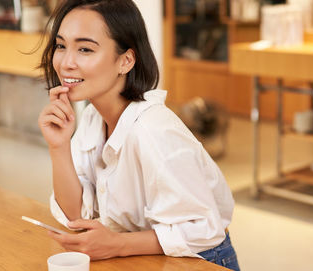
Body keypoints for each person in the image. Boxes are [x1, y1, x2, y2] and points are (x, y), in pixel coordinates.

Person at [36, 0, 239, 269]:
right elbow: (75, 216)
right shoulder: (94, 118)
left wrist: (115, 245)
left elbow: (203, 229)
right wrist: (58, 147)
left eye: (85, 49)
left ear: (126, 61)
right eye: (61, 46)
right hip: (140, 256)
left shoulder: (153, 130)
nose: (66, 62)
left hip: (198, 261)